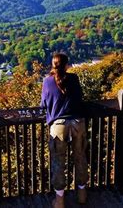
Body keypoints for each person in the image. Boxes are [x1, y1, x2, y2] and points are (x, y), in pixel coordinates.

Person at [40, 53, 88, 208]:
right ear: (66, 65)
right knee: (80, 157)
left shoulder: (47, 81)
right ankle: (82, 195)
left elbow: (43, 104)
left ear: (53, 65)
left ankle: (59, 201)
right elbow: (80, 97)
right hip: (77, 122)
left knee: (58, 161)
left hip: (58, 125)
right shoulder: (73, 78)